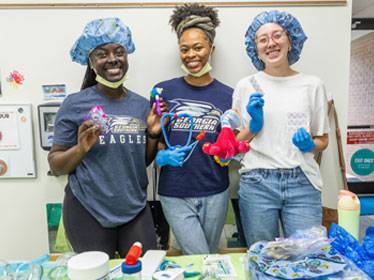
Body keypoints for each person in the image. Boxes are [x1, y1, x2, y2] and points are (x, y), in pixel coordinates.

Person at [48, 18, 167, 258]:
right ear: (91, 63)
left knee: (142, 270)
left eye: (119, 52)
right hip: (88, 208)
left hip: (134, 206)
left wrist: (153, 133)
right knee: (96, 273)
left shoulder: (141, 105)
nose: (112, 59)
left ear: (126, 57)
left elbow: (139, 162)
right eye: (102, 54)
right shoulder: (74, 104)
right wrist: (80, 148)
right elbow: (56, 165)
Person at [233, 10, 330, 247]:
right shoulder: (246, 86)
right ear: (255, 47)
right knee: (263, 258)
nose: (271, 43)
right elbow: (235, 147)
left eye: (277, 35)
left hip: (303, 183)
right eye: (263, 39)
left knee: (307, 257)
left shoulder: (313, 85)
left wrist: (310, 145)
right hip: (257, 183)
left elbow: (323, 139)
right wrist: (254, 127)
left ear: (290, 41)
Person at [152, 4, 233, 255]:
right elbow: (155, 136)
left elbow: (233, 141)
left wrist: (228, 152)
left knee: (206, 258)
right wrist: (160, 155)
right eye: (184, 49)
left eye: (198, 47)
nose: (191, 55)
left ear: (211, 48)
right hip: (174, 191)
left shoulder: (229, 95)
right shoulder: (163, 92)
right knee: (200, 256)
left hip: (215, 190)